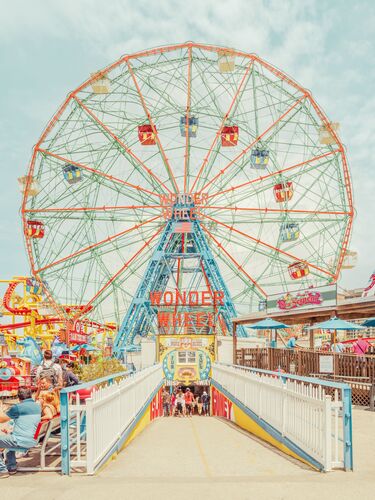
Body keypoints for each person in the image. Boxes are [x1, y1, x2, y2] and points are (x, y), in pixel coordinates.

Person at [0, 387, 41, 478]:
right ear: (30, 395)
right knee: (9, 437)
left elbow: (2, 420)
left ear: (19, 397)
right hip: (33, 440)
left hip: (21, 441)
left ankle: (2, 470)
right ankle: (12, 467)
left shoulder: (18, 407)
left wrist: (1, 407)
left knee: (7, 439)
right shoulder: (37, 406)